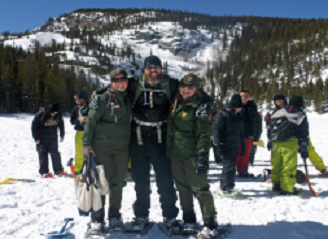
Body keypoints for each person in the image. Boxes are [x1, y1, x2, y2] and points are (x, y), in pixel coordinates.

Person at [89, 55, 213, 232]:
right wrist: (97, 93)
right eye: (149, 67)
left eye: (156, 67)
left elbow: (193, 90)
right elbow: (115, 86)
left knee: (165, 181)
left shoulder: (170, 84)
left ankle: (169, 216)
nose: (153, 70)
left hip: (161, 137)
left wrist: (208, 102)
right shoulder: (134, 84)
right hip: (138, 137)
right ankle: (141, 216)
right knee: (141, 180)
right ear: (144, 69)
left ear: (161, 69)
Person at [167, 73, 218, 238]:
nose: (186, 89)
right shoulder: (176, 101)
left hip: (192, 155)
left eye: (190, 86)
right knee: (182, 188)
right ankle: (189, 219)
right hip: (176, 154)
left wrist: (203, 155)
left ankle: (210, 224)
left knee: (201, 189)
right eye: (183, 86)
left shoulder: (201, 107)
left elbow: (204, 134)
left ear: (196, 89)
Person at [82, 69, 132, 234]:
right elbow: (90, 121)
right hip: (102, 147)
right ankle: (97, 218)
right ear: (111, 82)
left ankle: (114, 216)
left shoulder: (130, 97)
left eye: (123, 79)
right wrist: (86, 144)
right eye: (116, 80)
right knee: (100, 183)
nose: (120, 82)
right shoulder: (103, 98)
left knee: (118, 183)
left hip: (122, 148)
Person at [265, 94, 327, 176]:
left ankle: (322, 168)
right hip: (283, 137)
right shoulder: (275, 112)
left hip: (298, 135)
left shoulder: (292, 108)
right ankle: (278, 171)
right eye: (276, 100)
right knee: (279, 155)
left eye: (280, 99)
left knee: (309, 151)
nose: (279, 101)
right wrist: (270, 139)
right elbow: (270, 128)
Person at [267, 95, 309, 195]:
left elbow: (270, 128)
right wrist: (303, 146)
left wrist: (270, 140)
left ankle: (276, 185)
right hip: (289, 142)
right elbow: (303, 133)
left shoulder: (278, 112)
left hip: (275, 142)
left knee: (276, 165)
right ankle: (287, 188)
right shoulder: (300, 114)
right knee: (288, 165)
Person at [213, 94, 245, 194]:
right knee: (229, 166)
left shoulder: (238, 117)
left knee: (230, 166)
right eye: (239, 108)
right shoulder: (222, 115)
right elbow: (217, 130)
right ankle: (226, 187)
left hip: (234, 145)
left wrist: (242, 146)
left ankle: (226, 186)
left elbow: (241, 133)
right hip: (225, 145)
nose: (240, 110)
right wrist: (219, 145)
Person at [31, 103, 66, 178]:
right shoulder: (41, 115)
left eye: (55, 113)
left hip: (53, 137)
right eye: (52, 113)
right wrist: (36, 138)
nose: (53, 114)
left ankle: (58, 170)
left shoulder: (58, 115)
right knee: (43, 154)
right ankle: (44, 172)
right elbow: (34, 127)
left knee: (55, 153)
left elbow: (61, 125)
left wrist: (62, 134)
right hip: (42, 138)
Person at [238, 90, 260, 176]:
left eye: (246, 96)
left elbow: (258, 124)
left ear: (249, 97)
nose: (244, 98)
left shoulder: (253, 108)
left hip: (248, 135)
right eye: (242, 96)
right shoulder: (235, 107)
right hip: (236, 134)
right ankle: (232, 171)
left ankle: (243, 171)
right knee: (236, 154)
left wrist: (257, 135)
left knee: (245, 155)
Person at [70, 92, 89, 174]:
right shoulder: (75, 109)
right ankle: (77, 169)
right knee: (79, 151)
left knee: (90, 151)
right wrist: (78, 119)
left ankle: (91, 168)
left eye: (79, 98)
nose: (77, 100)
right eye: (76, 99)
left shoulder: (90, 107)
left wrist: (88, 118)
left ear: (83, 98)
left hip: (89, 131)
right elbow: (72, 121)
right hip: (79, 132)